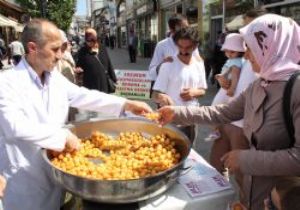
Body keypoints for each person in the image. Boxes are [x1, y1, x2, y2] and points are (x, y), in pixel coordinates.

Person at [0, 19, 152, 210]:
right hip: (25, 180)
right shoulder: (6, 84)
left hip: (54, 174)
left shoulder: (53, 77)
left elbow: (83, 95)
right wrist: (62, 136)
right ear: (32, 48)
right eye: (55, 49)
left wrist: (126, 104)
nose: (61, 55)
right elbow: (15, 126)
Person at [158, 14, 300, 210]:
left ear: (272, 46)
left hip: (283, 198)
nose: (247, 55)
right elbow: (224, 112)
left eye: (250, 48)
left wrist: (244, 159)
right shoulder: (260, 84)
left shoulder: (296, 89)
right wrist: (177, 113)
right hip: (255, 193)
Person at [152, 27, 207, 142]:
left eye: (188, 48)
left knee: (190, 151)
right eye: (180, 47)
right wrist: (161, 97)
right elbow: (155, 94)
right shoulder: (168, 65)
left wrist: (194, 92)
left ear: (196, 46)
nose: (183, 51)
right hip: (172, 120)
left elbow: (203, 90)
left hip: (191, 117)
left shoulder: (199, 63)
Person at [205, 33, 246, 141]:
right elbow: (227, 73)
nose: (229, 54)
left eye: (232, 51)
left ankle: (216, 131)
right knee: (217, 111)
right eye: (227, 51)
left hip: (226, 90)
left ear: (240, 51)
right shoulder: (236, 60)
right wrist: (219, 76)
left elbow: (235, 76)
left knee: (214, 111)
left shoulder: (236, 62)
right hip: (226, 88)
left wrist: (232, 89)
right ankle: (216, 131)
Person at [148, 14, 200, 84]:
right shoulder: (162, 45)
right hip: (167, 89)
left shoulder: (191, 43)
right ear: (172, 30)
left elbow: (198, 64)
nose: (187, 31)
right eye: (183, 29)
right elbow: (151, 73)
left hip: (187, 87)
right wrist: (162, 66)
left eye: (188, 27)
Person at [77, 28, 117, 93]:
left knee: (104, 100)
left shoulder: (102, 48)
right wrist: (78, 70)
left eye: (93, 39)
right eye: (88, 40)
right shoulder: (83, 51)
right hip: (90, 85)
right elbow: (79, 66)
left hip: (103, 83)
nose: (90, 42)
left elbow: (109, 64)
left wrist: (114, 78)